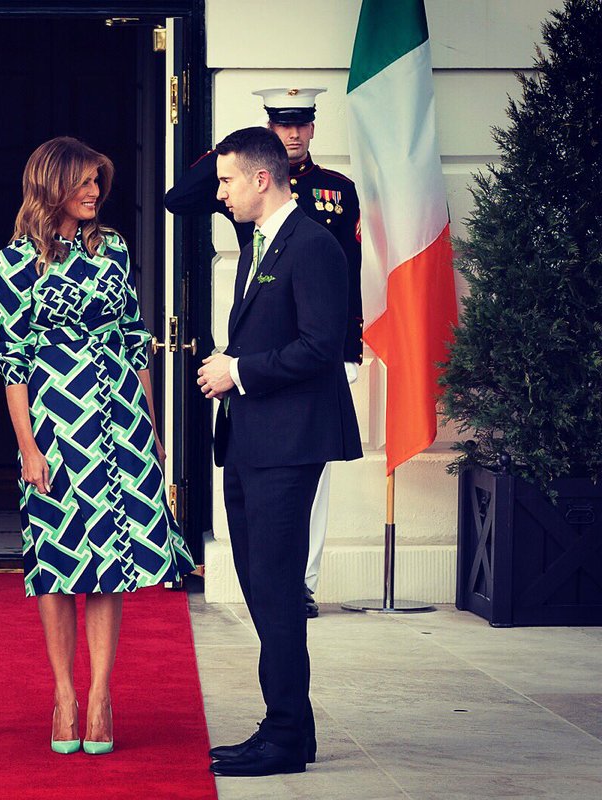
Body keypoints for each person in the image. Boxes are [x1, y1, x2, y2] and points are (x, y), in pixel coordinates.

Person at [0, 137, 194, 756]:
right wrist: (27, 447)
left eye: (97, 183)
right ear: (51, 185)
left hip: (120, 422)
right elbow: (13, 361)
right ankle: (64, 695)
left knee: (109, 564)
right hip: (53, 424)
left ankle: (102, 695)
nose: (94, 192)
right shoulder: (16, 260)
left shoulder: (114, 249)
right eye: (82, 182)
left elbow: (136, 341)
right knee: (56, 564)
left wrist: (154, 437)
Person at [197, 127, 362, 777]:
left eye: (229, 180)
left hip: (289, 445)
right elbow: (181, 194)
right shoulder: (259, 238)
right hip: (253, 442)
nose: (220, 192)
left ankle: (284, 736)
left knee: (275, 590)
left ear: (262, 179)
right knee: (264, 589)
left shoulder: (313, 244)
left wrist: (238, 371)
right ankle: (295, 727)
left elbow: (322, 346)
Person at [165, 87, 363, 618]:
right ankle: (286, 615)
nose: (293, 132)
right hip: (257, 409)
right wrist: (233, 151)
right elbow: (179, 198)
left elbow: (342, 289)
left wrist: (350, 350)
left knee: (293, 536)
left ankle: (305, 585)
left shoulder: (331, 197)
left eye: (300, 123)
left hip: (304, 387)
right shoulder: (255, 227)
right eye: (281, 124)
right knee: (262, 570)